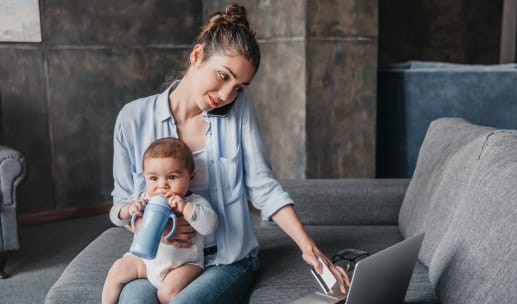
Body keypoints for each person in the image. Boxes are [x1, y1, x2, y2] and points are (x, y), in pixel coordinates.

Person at [109, 3, 349, 303]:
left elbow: (263, 187)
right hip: (160, 260)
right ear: (197, 56)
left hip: (227, 261)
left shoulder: (238, 111)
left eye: (239, 87)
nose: (226, 96)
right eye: (223, 76)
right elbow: (121, 201)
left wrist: (308, 247)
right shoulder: (132, 119)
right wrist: (149, 227)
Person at [103, 138, 218, 304]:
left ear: (191, 177)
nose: (162, 185)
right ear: (145, 178)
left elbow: (210, 226)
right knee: (117, 270)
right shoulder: (144, 198)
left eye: (172, 177)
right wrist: (129, 209)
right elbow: (115, 215)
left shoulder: (194, 202)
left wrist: (185, 208)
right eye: (154, 178)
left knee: (167, 293)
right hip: (146, 262)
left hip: (183, 264)